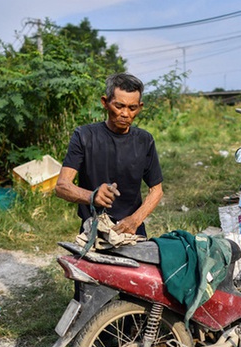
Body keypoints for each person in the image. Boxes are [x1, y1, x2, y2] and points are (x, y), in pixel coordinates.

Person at [55, 73, 163, 236]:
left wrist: (135, 220)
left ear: (139, 107)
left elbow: (157, 190)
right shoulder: (84, 136)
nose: (125, 114)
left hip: (132, 230)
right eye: (119, 106)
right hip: (93, 229)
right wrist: (91, 196)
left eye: (132, 108)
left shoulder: (144, 140)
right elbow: (62, 186)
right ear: (105, 103)